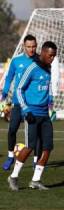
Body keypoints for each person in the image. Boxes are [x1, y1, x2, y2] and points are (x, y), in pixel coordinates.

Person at [7, 41, 57, 191]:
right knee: (29, 146)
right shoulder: (32, 68)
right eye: (50, 55)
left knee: (47, 147)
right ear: (42, 53)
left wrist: (50, 103)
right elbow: (19, 89)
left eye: (54, 56)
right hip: (32, 113)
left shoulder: (48, 68)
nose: (52, 58)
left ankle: (36, 180)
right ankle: (14, 176)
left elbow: (48, 88)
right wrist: (26, 109)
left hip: (44, 114)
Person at [1, 34, 42, 171]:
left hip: (33, 103)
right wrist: (5, 92)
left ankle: (36, 161)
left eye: (34, 46)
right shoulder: (16, 60)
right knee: (12, 129)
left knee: (35, 133)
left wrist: (49, 98)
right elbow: (9, 78)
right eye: (29, 46)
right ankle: (10, 156)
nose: (31, 49)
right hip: (18, 102)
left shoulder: (40, 61)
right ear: (24, 46)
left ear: (37, 46)